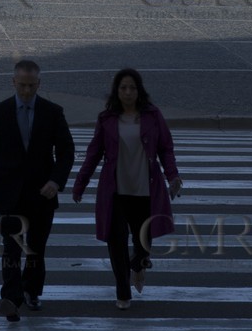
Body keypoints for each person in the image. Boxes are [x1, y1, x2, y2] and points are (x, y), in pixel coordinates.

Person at [72, 68, 182, 309]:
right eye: (123, 88)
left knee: (144, 242)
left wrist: (173, 175)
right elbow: (93, 153)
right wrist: (80, 183)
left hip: (146, 189)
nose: (128, 92)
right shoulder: (107, 118)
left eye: (132, 87)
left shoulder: (153, 115)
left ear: (139, 90)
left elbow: (166, 148)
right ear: (117, 91)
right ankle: (123, 292)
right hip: (116, 191)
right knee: (116, 241)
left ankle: (139, 266)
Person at [0, 60, 74, 322]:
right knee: (11, 249)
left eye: (31, 86)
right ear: (13, 82)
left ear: (39, 84)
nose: (26, 91)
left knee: (35, 249)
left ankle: (31, 291)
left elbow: (66, 152)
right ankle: (10, 297)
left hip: (43, 193)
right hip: (9, 192)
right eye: (22, 85)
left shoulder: (53, 112)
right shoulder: (0, 111)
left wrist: (56, 181)